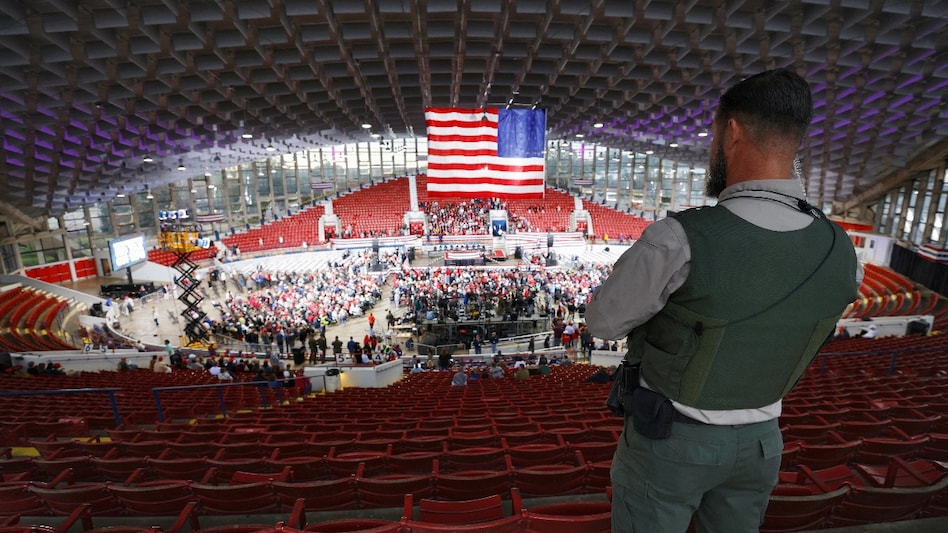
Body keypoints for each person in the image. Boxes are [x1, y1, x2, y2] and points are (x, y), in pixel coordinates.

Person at [584, 69, 861, 533]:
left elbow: (603, 321)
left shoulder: (682, 237)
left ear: (730, 132)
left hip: (673, 442)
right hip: (761, 446)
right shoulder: (842, 251)